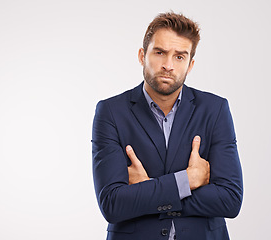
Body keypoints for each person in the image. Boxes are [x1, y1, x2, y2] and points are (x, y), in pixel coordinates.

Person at [92, 12, 243, 240]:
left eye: (179, 57)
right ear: (142, 55)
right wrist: (188, 180)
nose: (168, 65)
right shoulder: (111, 112)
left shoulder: (215, 109)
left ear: (190, 65)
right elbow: (112, 204)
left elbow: (230, 200)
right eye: (160, 52)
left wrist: (148, 191)